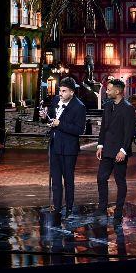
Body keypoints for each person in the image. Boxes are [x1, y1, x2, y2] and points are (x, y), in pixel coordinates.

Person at [44, 77, 86, 217]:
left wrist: (59, 124)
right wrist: (45, 116)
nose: (60, 94)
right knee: (56, 180)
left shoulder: (79, 107)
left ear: (72, 92)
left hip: (69, 149)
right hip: (54, 146)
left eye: (64, 91)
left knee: (68, 180)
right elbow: (51, 117)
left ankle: (69, 208)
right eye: (60, 90)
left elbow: (79, 130)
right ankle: (56, 207)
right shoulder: (56, 100)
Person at [96, 78, 136, 225]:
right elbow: (103, 128)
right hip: (107, 150)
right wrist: (100, 145)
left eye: (109, 89)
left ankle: (118, 211)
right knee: (101, 178)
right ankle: (102, 207)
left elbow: (129, 132)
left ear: (117, 91)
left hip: (120, 152)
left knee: (120, 181)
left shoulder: (128, 108)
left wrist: (123, 150)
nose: (106, 91)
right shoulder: (107, 106)